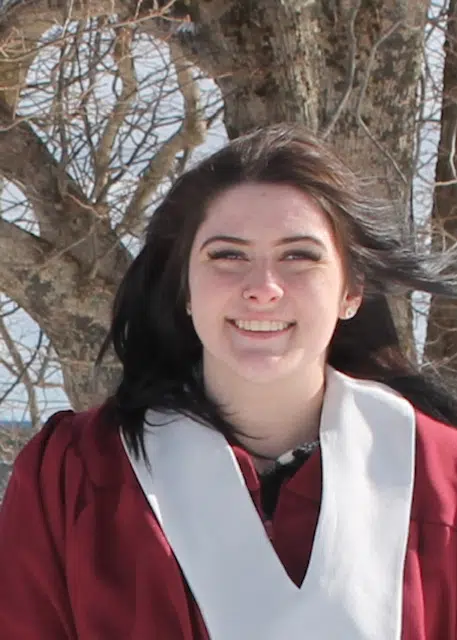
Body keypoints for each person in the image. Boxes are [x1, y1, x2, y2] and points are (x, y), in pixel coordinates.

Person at [1, 124, 457, 640]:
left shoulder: (440, 480)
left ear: (351, 290)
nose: (262, 288)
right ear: (184, 286)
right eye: (228, 255)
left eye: (299, 256)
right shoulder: (77, 474)